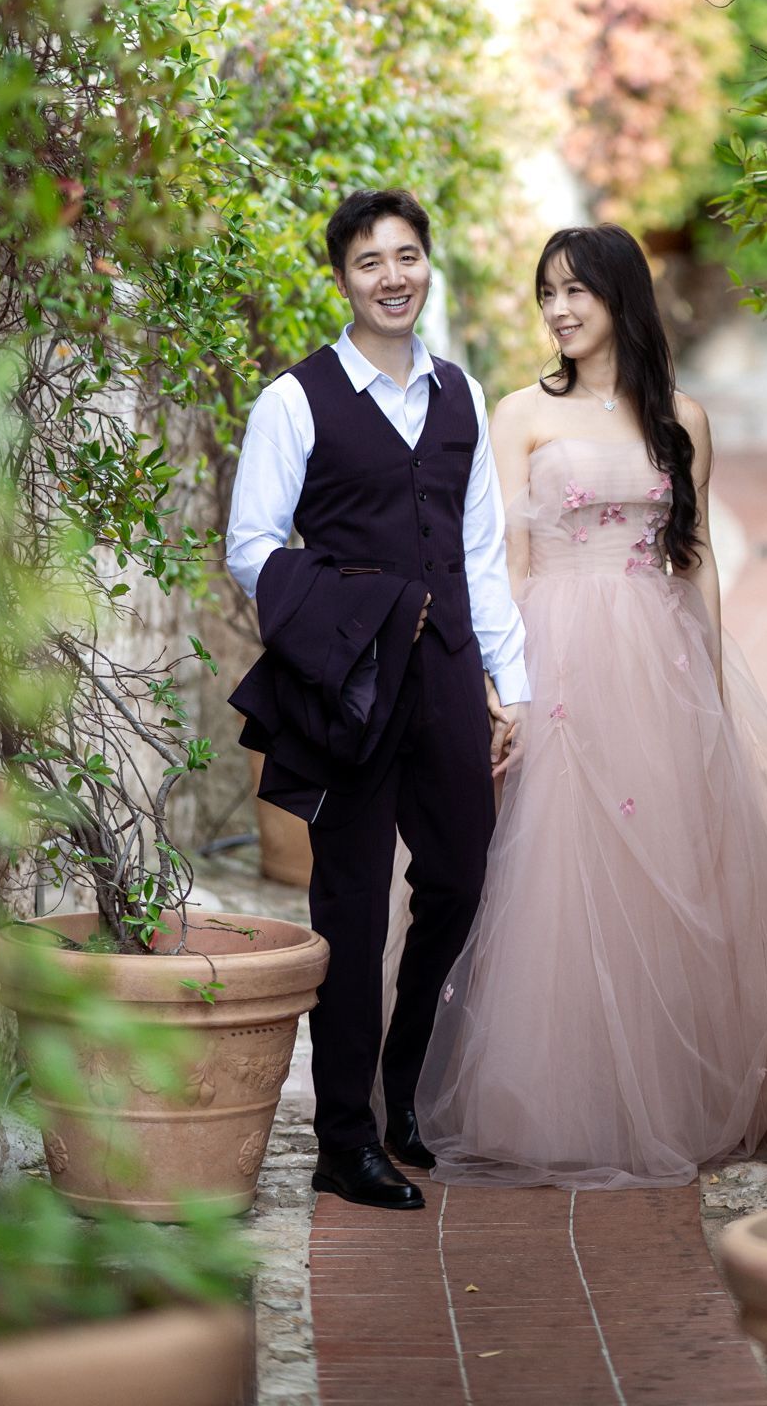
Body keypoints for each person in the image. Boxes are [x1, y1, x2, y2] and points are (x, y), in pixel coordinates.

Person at [416, 224, 767, 1189]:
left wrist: (709, 677)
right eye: (546, 293)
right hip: (555, 647)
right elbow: (501, 555)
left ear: (619, 297)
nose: (557, 310)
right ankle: (555, 1095)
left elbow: (701, 555)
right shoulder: (518, 415)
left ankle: (673, 1086)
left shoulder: (681, 417)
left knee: (669, 863)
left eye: (575, 291)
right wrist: (500, 683)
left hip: (657, 654)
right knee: (551, 863)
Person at [226, 187, 528, 1211]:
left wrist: (508, 682)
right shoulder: (295, 398)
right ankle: (344, 1138)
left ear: (426, 265)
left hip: (444, 672)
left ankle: (404, 1083)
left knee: (459, 874)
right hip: (348, 682)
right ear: (341, 277)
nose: (393, 276)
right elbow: (252, 545)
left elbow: (479, 549)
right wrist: (345, 613)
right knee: (348, 907)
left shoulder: (463, 393)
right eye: (369, 261)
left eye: (407, 256)